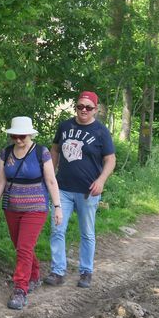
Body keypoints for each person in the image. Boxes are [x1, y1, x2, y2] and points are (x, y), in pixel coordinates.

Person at [0, 116, 63, 310]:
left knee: (24, 247)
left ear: (29, 134)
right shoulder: (6, 153)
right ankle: (35, 274)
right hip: (11, 207)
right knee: (22, 247)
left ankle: (20, 289)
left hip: (36, 208)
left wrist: (57, 206)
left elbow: (51, 181)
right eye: (14, 136)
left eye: (22, 136)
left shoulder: (41, 152)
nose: (18, 140)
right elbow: (0, 181)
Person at [45, 91, 116, 288]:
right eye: (80, 106)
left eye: (88, 107)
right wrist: (50, 175)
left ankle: (86, 271)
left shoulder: (101, 131)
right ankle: (58, 271)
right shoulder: (65, 126)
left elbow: (110, 159)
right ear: (75, 107)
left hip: (88, 191)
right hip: (63, 189)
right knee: (57, 230)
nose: (83, 110)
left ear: (95, 109)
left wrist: (101, 180)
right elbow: (55, 150)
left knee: (87, 233)